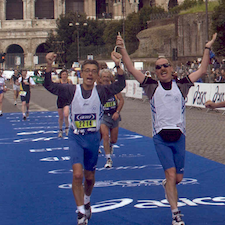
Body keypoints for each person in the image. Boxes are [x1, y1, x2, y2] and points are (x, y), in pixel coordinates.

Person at [116, 33, 217, 225]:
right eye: (158, 67)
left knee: (177, 178)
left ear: (171, 69)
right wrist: (122, 48)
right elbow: (130, 67)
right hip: (160, 138)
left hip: (179, 138)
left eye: (165, 65)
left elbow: (203, 69)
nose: (162, 68)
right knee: (170, 175)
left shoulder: (182, 85)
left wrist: (206, 47)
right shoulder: (151, 86)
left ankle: (168, 185)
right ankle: (176, 213)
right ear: (154, 72)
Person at [43, 51, 126, 225]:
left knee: (89, 178)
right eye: (86, 70)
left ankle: (87, 200)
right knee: (77, 175)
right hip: (76, 138)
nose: (89, 74)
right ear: (81, 73)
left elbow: (120, 85)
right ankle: (81, 212)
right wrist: (49, 66)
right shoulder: (70, 90)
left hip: (93, 139)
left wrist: (118, 65)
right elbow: (49, 85)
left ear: (97, 75)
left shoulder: (102, 91)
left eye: (93, 71)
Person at [99, 69, 124, 168]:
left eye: (107, 77)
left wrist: (117, 112)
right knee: (105, 136)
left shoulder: (114, 88)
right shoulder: (98, 88)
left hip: (114, 115)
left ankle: (111, 145)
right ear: (100, 78)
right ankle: (108, 159)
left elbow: (121, 100)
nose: (105, 79)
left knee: (113, 140)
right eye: (104, 77)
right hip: (103, 116)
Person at [55, 69, 73, 137]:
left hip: (67, 100)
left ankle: (67, 128)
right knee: (61, 117)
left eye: (65, 74)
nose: (64, 76)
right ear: (61, 75)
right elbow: (54, 88)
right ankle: (60, 130)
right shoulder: (58, 81)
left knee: (66, 115)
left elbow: (72, 89)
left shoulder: (69, 81)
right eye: (63, 74)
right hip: (60, 100)